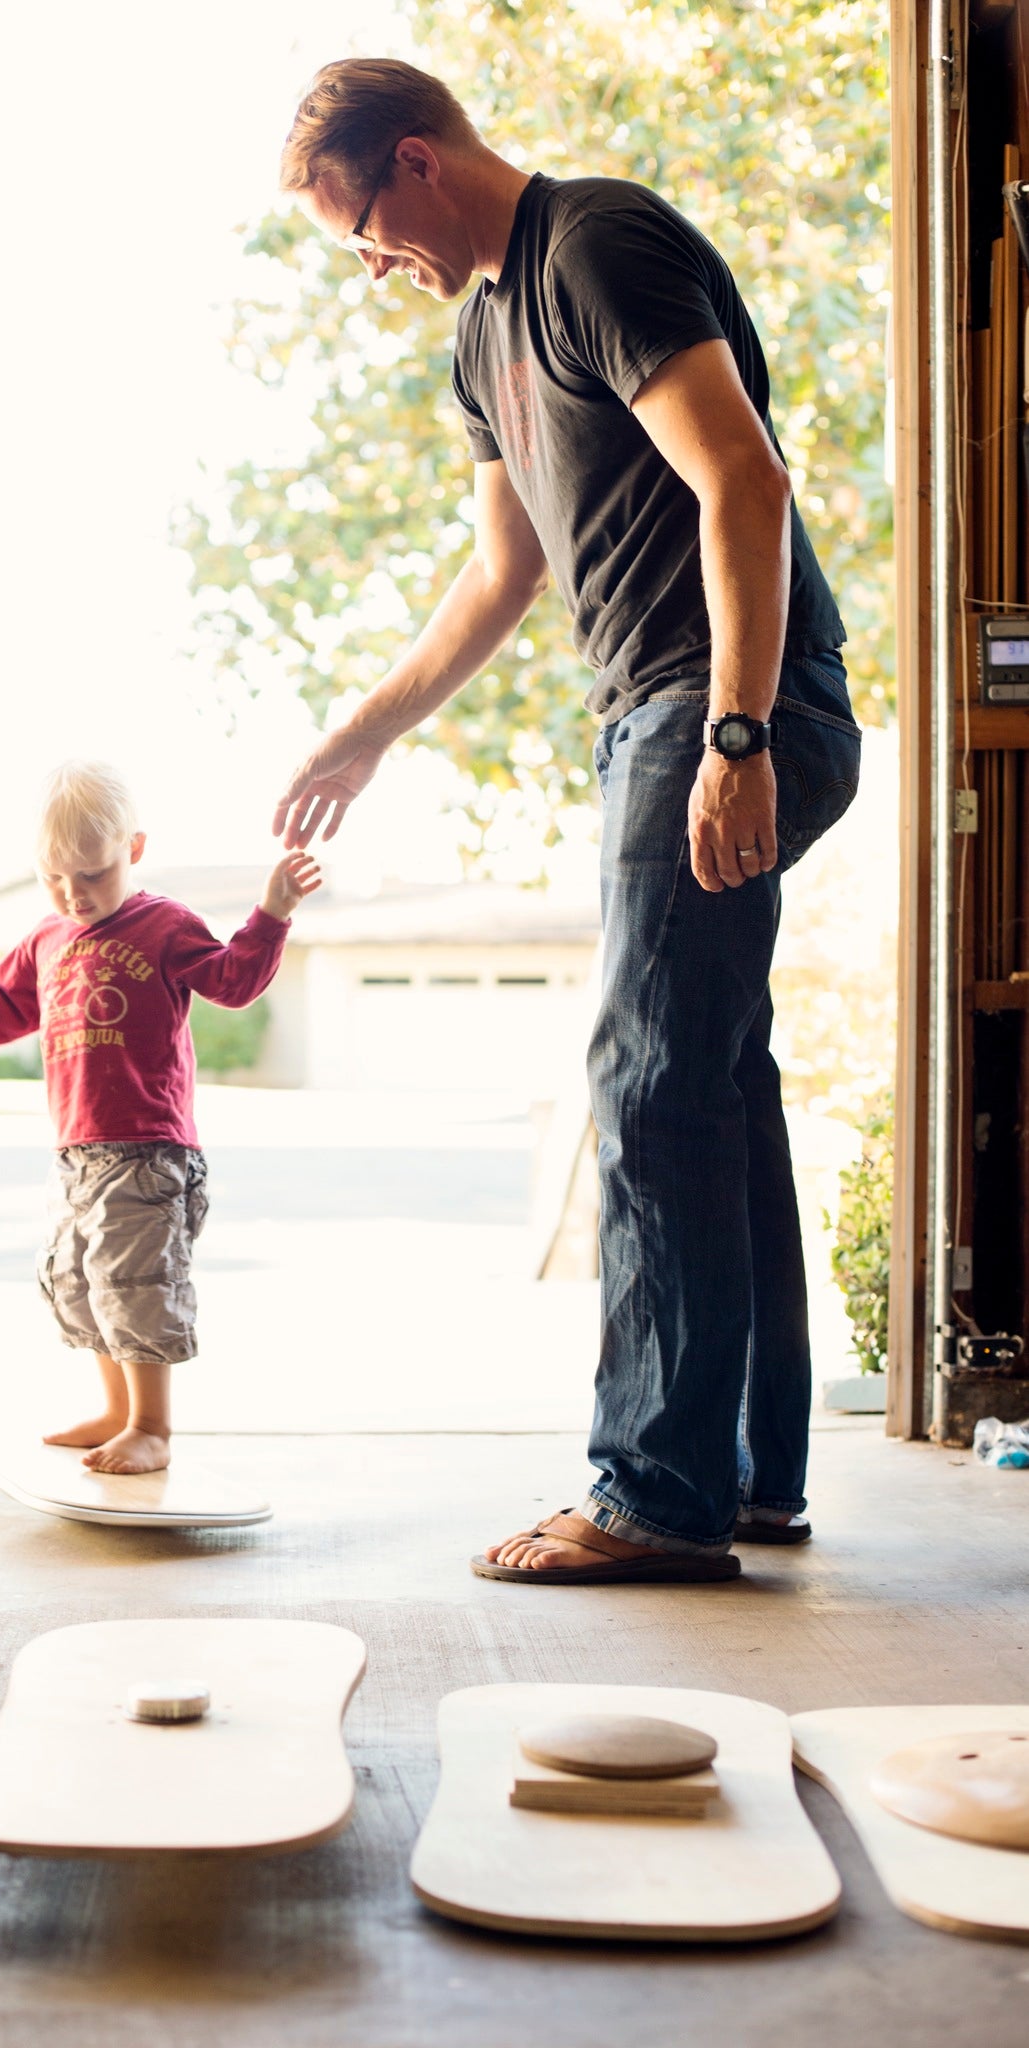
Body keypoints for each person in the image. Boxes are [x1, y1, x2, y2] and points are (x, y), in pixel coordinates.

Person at [273, 60, 862, 1583]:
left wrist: (738, 731)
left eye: (366, 230)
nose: (375, 268)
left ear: (416, 159)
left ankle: (655, 1495)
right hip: (647, 720)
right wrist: (365, 731)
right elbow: (499, 576)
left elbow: (740, 473)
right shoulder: (481, 339)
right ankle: (748, 1476)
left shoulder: (595, 244)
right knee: (714, 1083)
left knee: (648, 1069)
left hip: (726, 701)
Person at [0, 760, 320, 1474]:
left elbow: (233, 982)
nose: (73, 894)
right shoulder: (47, 938)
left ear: (134, 849)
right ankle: (116, 1411)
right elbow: (0, 1008)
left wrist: (271, 912)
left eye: (91, 874)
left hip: (148, 1150)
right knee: (80, 1283)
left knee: (137, 1285)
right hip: (76, 1154)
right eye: (53, 877)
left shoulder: (164, 925)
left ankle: (152, 1426)